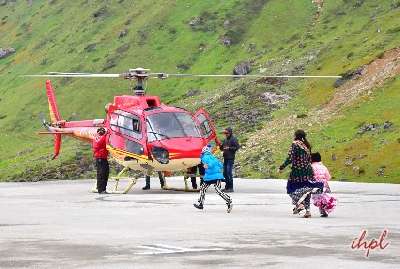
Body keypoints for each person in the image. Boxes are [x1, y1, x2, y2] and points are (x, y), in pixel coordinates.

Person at [279, 130, 323, 218]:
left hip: (298, 171)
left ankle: (300, 203)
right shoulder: (306, 145)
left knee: (290, 189)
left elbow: (290, 158)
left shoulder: (295, 144)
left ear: (296, 135)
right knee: (306, 190)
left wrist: (282, 167)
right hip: (308, 171)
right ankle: (308, 211)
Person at [193, 145, 233, 213]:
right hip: (214, 176)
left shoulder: (205, 157)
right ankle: (201, 204)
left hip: (211, 176)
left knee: (203, 188)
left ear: (203, 151)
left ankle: (229, 200)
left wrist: (208, 165)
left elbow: (210, 164)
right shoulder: (213, 157)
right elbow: (220, 165)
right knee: (216, 189)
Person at [311, 152, 335, 217]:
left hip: (315, 185)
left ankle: (323, 209)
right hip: (324, 185)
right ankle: (324, 209)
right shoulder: (323, 167)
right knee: (321, 197)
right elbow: (328, 177)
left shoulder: (311, 167)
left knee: (317, 198)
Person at [219, 127, 240, 192]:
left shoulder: (234, 139)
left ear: (230, 133)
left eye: (227, 133)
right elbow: (222, 148)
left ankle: (231, 188)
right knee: (225, 173)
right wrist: (220, 146)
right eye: (225, 133)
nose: (225, 134)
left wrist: (229, 148)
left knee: (228, 172)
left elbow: (237, 147)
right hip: (225, 157)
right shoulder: (225, 140)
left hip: (230, 158)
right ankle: (227, 187)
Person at [92, 127, 109, 194]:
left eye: (103, 131)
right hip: (100, 158)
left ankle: (103, 189)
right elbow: (100, 142)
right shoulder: (99, 138)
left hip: (103, 158)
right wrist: (107, 133)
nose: (102, 132)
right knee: (101, 174)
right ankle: (101, 189)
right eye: (101, 131)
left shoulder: (99, 137)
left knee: (105, 173)